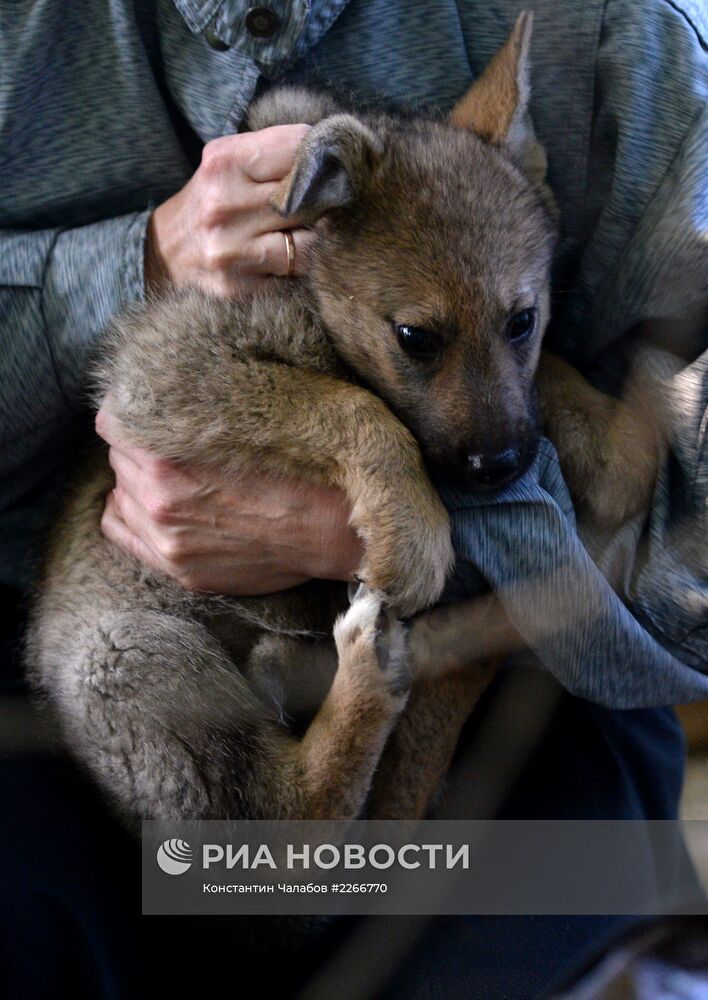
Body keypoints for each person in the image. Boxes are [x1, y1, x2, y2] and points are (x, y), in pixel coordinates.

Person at [0, 1, 706, 997]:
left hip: (531, 689)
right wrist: (132, 268)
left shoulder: (605, 30)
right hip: (82, 694)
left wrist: (442, 538)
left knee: (571, 901)